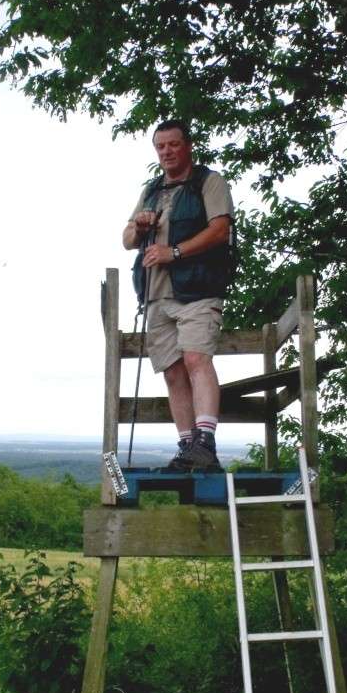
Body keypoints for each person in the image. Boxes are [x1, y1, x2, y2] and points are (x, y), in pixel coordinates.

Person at [123, 119, 235, 470]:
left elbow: (220, 231)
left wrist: (176, 252)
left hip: (199, 289)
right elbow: (127, 240)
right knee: (172, 372)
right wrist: (139, 226)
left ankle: (205, 442)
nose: (167, 151)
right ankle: (188, 447)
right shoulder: (152, 190)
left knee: (196, 360)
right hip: (155, 294)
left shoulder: (209, 181)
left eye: (173, 144)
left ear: (188, 146)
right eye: (161, 147)